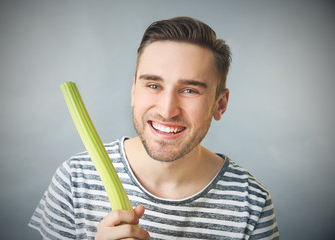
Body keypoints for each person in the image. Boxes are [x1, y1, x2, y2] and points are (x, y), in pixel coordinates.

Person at [29, 16, 279, 239]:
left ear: (220, 104)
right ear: (134, 92)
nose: (167, 110)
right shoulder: (76, 178)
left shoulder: (251, 204)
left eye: (189, 90)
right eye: (153, 85)